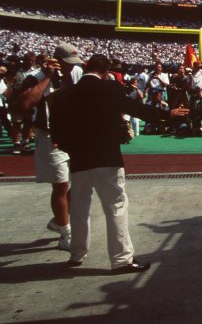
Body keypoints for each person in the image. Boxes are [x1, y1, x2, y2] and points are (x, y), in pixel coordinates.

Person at [50, 54, 189, 273]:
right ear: (106, 72)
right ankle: (121, 259)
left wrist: (72, 148)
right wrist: (168, 114)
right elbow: (138, 110)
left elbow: (56, 131)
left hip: (78, 159)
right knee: (115, 207)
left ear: (86, 67)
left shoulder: (63, 94)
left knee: (78, 208)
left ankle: (76, 254)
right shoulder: (110, 89)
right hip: (107, 157)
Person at [16, 44, 84, 251]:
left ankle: (58, 220)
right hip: (49, 135)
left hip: (75, 133)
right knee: (61, 184)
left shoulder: (77, 72)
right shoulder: (36, 77)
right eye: (67, 64)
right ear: (56, 61)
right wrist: (47, 76)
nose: (71, 68)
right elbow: (23, 104)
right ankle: (66, 231)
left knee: (82, 181)